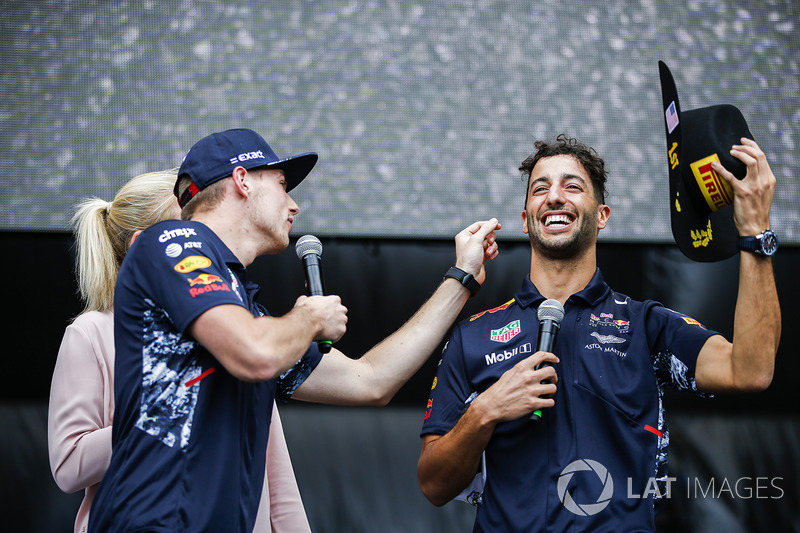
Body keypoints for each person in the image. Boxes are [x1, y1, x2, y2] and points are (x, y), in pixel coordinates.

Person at [87, 128, 501, 533]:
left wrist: (462, 278)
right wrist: (309, 320)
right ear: (242, 180)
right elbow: (254, 352)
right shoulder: (173, 242)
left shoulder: (249, 314)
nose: (294, 205)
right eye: (283, 185)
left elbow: (372, 381)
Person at [417, 134, 780, 531]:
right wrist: (486, 411)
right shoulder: (473, 336)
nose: (554, 197)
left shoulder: (647, 326)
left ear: (602, 214)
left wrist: (755, 232)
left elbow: (750, 371)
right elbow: (433, 485)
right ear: (525, 220)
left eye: (572, 186)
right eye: (541, 188)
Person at [48, 169, 312, 533]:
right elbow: (68, 463)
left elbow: (277, 476)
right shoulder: (91, 333)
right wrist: (167, 409)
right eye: (188, 232)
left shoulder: (238, 328)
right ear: (143, 245)